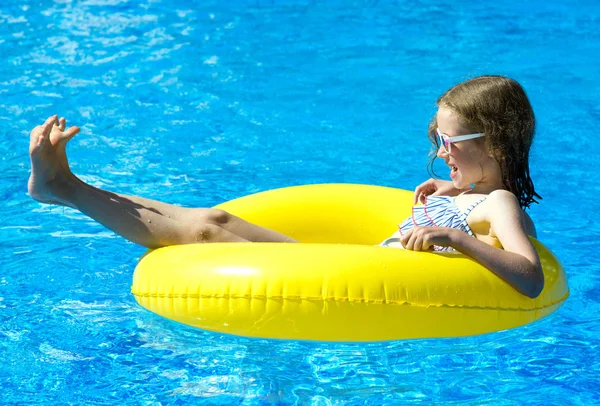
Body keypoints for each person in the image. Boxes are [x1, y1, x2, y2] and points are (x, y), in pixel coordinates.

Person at [28, 75, 544, 298]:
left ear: (495, 144)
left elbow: (529, 277)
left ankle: (67, 188)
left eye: (450, 141)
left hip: (362, 283)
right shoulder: (468, 193)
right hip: (357, 263)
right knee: (217, 221)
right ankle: (67, 184)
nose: (439, 151)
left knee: (208, 236)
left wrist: (455, 237)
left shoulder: (499, 202)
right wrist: (452, 194)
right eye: (436, 139)